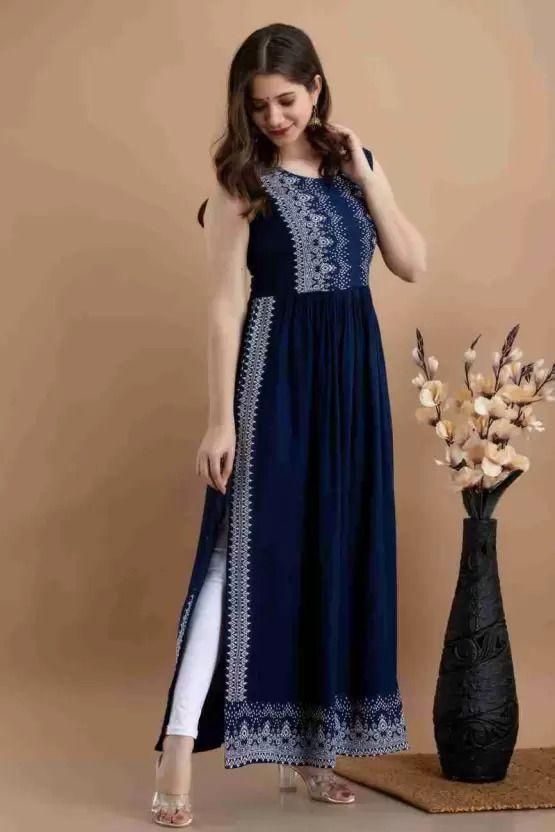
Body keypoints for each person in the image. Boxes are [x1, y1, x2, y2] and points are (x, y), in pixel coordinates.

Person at [151, 21, 427, 827]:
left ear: (315, 89)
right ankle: (175, 752)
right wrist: (219, 422)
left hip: (350, 385)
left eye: (286, 100)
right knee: (233, 560)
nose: (273, 118)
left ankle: (309, 753)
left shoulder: (354, 166)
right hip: (273, 380)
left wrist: (367, 176)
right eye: (258, 106)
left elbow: (411, 262)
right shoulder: (240, 182)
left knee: (329, 550)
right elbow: (223, 306)